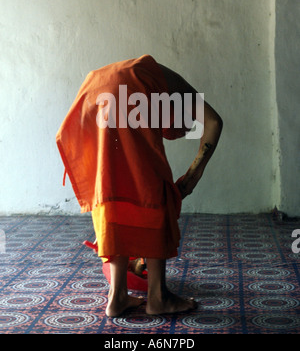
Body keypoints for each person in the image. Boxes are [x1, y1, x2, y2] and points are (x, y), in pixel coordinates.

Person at [56, 55, 222, 317]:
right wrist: (192, 176)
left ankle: (117, 297)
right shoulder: (174, 88)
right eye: (179, 127)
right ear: (176, 110)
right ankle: (158, 297)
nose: (177, 132)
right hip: (120, 94)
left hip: (94, 94)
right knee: (154, 192)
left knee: (113, 192)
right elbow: (213, 122)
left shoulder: (151, 85)